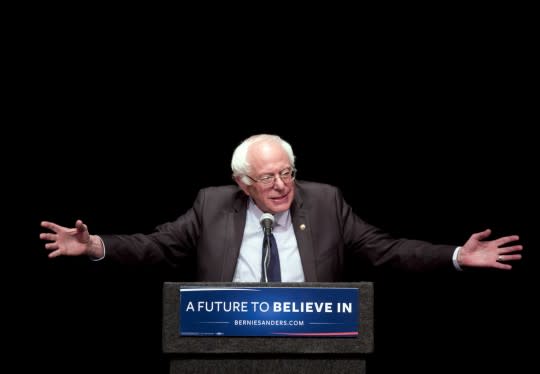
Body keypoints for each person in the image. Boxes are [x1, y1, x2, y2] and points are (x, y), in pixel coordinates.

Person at [40, 134, 523, 281]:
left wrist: (457, 255)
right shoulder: (211, 205)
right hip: (226, 345)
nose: (280, 185)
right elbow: (155, 246)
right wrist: (96, 245)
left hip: (317, 344)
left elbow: (388, 249)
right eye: (266, 177)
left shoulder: (326, 201)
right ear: (242, 183)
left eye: (287, 172)